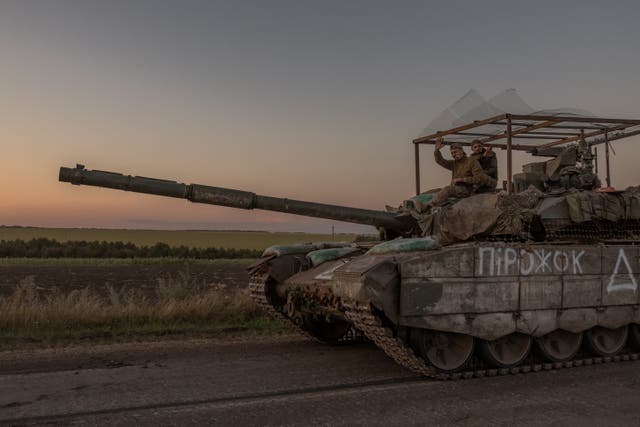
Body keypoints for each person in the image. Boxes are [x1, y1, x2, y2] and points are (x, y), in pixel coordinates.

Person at [432, 137, 497, 204]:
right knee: (436, 191)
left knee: (447, 190)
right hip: (456, 188)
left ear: (461, 150)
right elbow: (440, 161)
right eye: (452, 153)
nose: (454, 154)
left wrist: (462, 179)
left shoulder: (471, 161)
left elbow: (479, 178)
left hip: (467, 189)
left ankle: (429, 205)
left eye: (455, 152)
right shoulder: (454, 163)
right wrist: (437, 150)